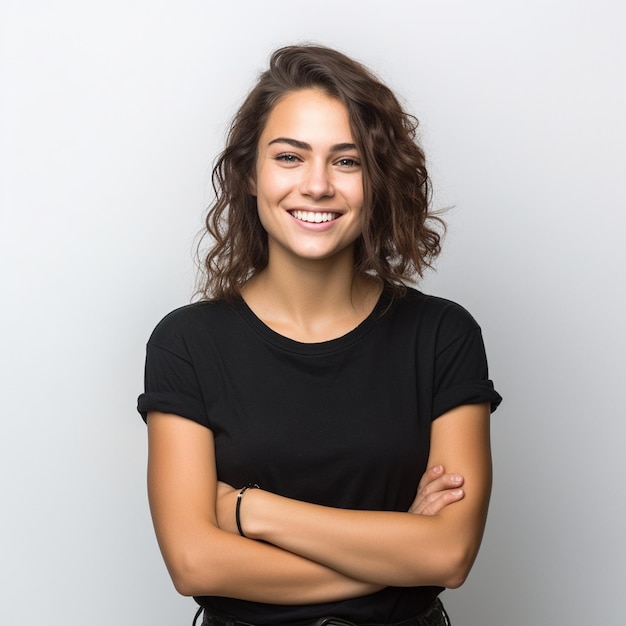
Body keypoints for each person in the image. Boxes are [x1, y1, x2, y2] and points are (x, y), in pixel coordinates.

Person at [138, 44, 502, 626]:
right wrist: (400, 549)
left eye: (347, 161)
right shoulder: (186, 343)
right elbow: (195, 565)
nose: (316, 185)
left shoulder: (442, 335)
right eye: (289, 156)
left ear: (377, 179)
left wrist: (249, 510)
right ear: (250, 175)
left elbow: (449, 555)